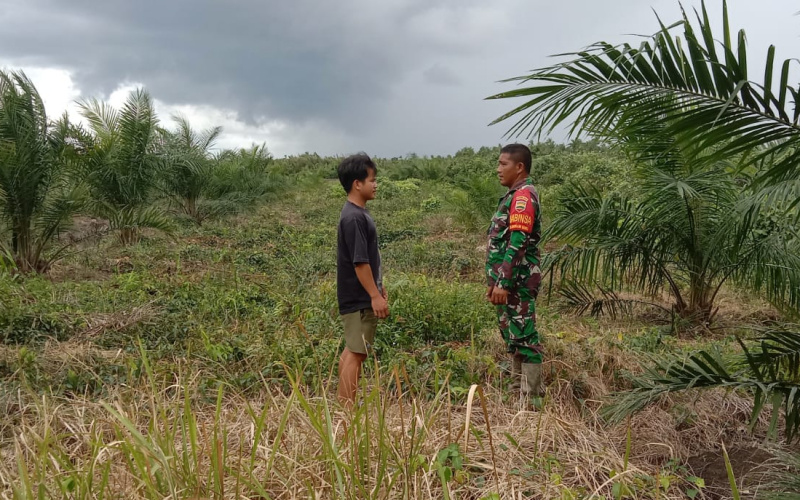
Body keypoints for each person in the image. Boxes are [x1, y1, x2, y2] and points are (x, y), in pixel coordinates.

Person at [485, 143, 544, 405]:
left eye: (503, 164)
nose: (498, 169)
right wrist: (496, 281)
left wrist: (504, 282)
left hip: (517, 283)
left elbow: (517, 242)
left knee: (525, 337)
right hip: (506, 284)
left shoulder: (522, 197)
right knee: (513, 336)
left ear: (519, 167)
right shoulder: (512, 195)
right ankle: (515, 397)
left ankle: (531, 402)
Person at [336, 153, 388, 406]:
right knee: (357, 353)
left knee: (353, 351)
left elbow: (367, 258)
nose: (375, 184)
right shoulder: (354, 217)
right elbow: (360, 262)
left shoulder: (356, 213)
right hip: (359, 298)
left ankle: (341, 406)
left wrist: (379, 286)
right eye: (372, 180)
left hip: (359, 295)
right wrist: (374, 296)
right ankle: (345, 414)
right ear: (357, 183)